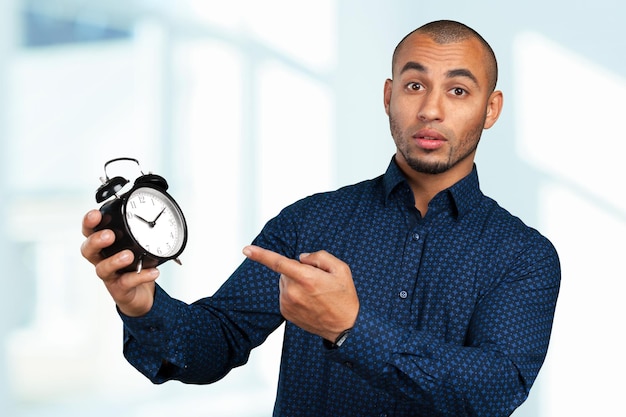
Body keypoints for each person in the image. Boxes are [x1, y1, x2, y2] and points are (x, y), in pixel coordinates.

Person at [80, 20, 560, 417]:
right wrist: (143, 307)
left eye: (457, 90)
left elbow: (495, 389)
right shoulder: (310, 221)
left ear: (490, 108)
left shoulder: (524, 256)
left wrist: (350, 327)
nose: (430, 109)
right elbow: (215, 343)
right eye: (415, 86)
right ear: (389, 95)